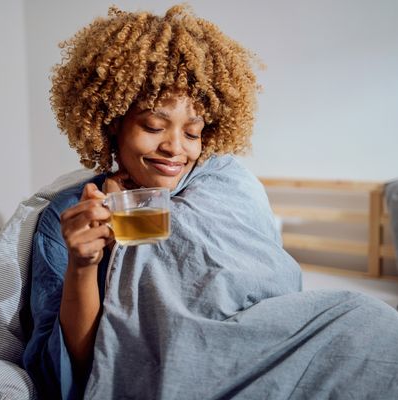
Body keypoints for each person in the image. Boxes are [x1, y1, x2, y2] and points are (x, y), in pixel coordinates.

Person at [22, 4, 268, 399]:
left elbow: (273, 289)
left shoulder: (226, 187)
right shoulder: (71, 215)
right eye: (153, 126)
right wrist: (85, 265)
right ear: (113, 120)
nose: (174, 148)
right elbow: (72, 371)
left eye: (192, 133)